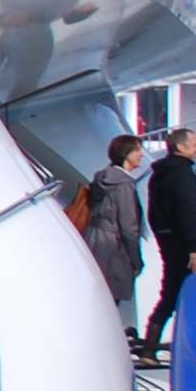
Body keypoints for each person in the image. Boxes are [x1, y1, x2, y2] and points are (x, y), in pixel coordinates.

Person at [138, 125, 196, 360]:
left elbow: (154, 212)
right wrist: (195, 247)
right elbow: (188, 211)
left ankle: (153, 346)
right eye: (195, 143)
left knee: (171, 292)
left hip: (168, 240)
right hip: (183, 244)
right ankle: (187, 348)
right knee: (189, 294)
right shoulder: (183, 175)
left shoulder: (160, 175)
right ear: (180, 147)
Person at [80, 134, 149, 344]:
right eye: (137, 150)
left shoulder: (103, 178)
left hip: (94, 238)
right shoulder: (123, 184)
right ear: (126, 154)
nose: (141, 154)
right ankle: (100, 342)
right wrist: (136, 260)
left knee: (98, 294)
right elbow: (128, 225)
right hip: (113, 245)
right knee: (111, 297)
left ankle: (94, 338)